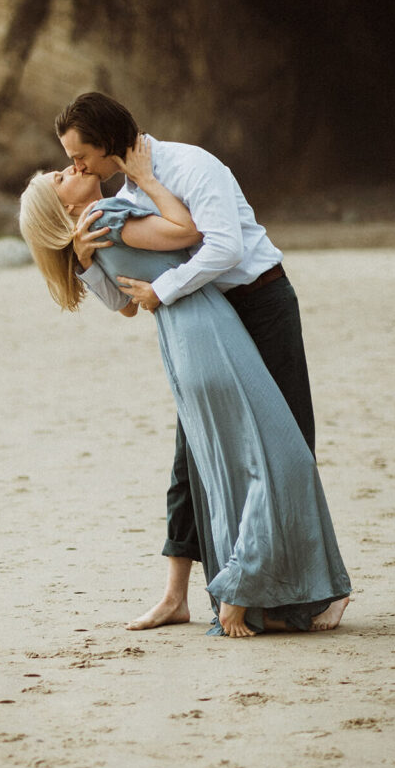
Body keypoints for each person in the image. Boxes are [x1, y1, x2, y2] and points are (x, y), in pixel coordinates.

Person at [19, 139, 351, 637]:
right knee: (279, 457)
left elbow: (126, 305)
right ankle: (240, 588)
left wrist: (83, 261)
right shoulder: (109, 214)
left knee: (217, 466)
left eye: (73, 160)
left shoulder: (97, 234)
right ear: (65, 206)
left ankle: (253, 594)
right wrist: (150, 182)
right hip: (211, 335)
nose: (71, 166)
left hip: (186, 342)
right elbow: (190, 233)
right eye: (63, 174)